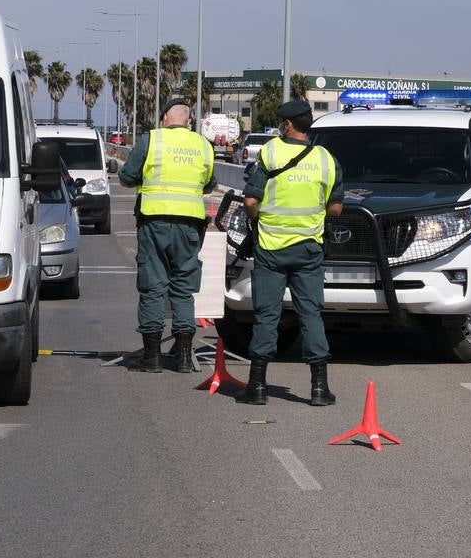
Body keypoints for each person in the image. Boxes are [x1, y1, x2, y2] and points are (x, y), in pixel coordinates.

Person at [237, 99, 344, 407]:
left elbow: (250, 201)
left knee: (267, 315)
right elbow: (335, 207)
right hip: (309, 249)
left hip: (271, 249)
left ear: (286, 125)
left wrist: (259, 221)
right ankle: (319, 389)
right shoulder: (325, 158)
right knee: (311, 314)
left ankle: (257, 386)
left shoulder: (270, 152)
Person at [117, 98, 216, 373]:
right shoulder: (203, 145)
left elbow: (127, 177)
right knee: (183, 289)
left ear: (164, 119)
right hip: (190, 226)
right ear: (189, 121)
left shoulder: (151, 140)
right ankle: (184, 357)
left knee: (153, 287)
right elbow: (210, 183)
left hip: (154, 222)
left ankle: (152, 357)